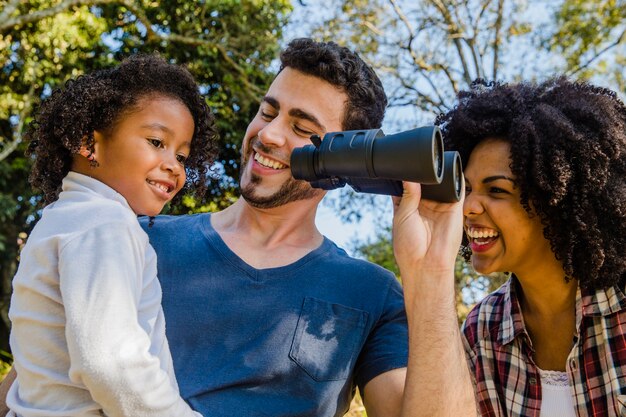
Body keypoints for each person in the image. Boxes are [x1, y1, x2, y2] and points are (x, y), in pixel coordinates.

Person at [0, 39, 475, 417]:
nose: (268, 134)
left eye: (302, 128)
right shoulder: (133, 234)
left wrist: (431, 273)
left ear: (345, 159)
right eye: (268, 112)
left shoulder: (372, 293)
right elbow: (37, 379)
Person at [5, 54, 218, 416]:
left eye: (182, 156)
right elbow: (113, 363)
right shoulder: (104, 223)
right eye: (156, 141)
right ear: (90, 144)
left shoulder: (64, 219)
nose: (173, 165)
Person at [437, 77, 626, 416]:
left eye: (497, 191)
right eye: (466, 189)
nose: (467, 207)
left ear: (555, 202)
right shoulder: (482, 330)